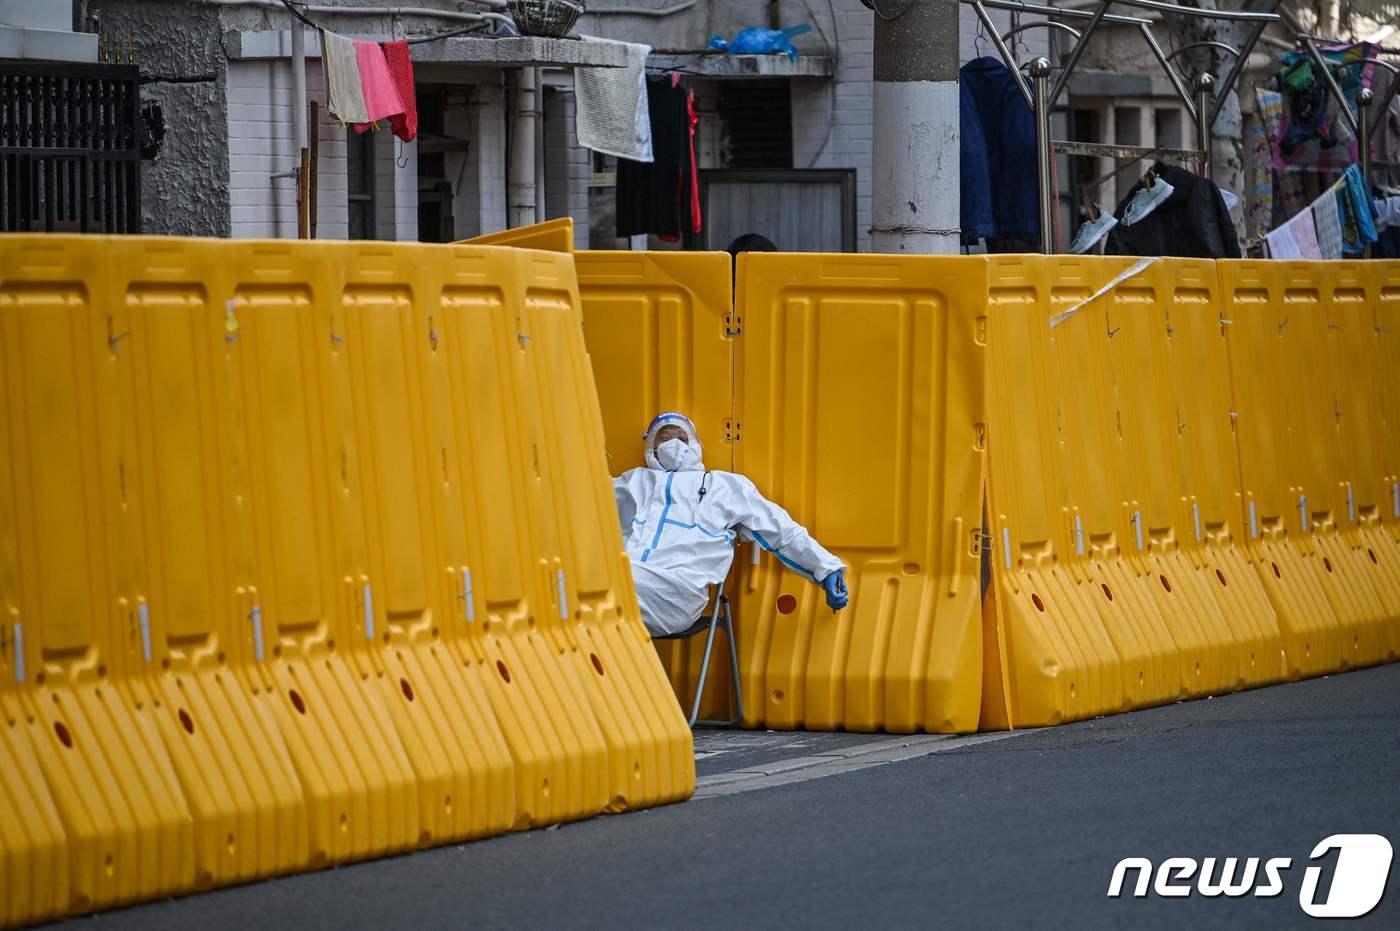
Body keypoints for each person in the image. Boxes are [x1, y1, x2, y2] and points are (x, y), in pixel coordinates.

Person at [613, 411, 849, 637]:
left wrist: (826, 568)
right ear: (651, 445)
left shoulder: (723, 486)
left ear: (694, 445)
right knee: (591, 586)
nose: (673, 444)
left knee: (598, 586)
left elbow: (779, 528)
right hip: (629, 580)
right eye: (664, 438)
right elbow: (586, 500)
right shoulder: (633, 481)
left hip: (677, 592)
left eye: (681, 438)